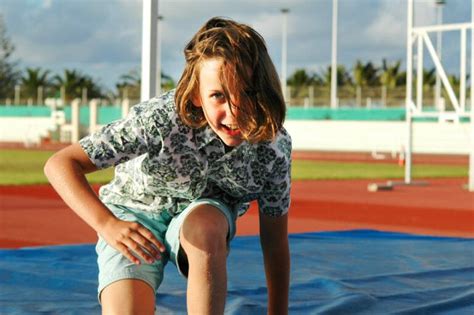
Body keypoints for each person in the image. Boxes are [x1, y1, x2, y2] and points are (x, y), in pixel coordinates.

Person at [44, 17, 291, 315]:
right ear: (198, 95)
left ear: (264, 89)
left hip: (204, 212)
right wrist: (107, 224)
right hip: (132, 214)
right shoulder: (160, 119)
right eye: (219, 96)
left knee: (207, 224)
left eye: (248, 93)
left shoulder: (273, 148)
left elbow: (274, 241)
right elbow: (61, 164)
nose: (234, 112)